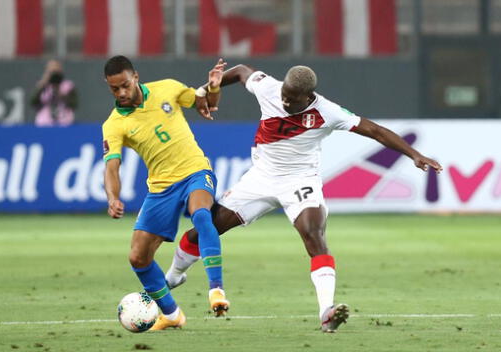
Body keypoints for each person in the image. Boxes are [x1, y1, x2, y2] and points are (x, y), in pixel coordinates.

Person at [165, 63, 443, 333]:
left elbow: (375, 131)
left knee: (313, 234)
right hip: (260, 178)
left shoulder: (328, 111)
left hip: (300, 181)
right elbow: (239, 71)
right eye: (284, 94)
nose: (284, 101)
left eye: (292, 99)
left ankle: (327, 312)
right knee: (206, 230)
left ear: (308, 97)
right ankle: (173, 277)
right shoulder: (269, 88)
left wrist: (414, 154)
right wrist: (205, 89)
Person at [102, 56, 229, 330]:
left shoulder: (167, 88)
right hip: (160, 189)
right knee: (138, 257)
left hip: (195, 171)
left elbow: (206, 104)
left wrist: (213, 87)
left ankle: (216, 290)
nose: (121, 93)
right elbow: (112, 167)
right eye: (115, 89)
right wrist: (112, 197)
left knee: (202, 216)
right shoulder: (114, 124)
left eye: (125, 85)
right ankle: (171, 315)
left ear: (135, 76)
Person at [31, 59, 78, 126]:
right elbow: (33, 102)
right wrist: (43, 84)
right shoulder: (42, 85)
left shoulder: (68, 85)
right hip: (44, 122)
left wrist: (61, 95)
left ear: (60, 70)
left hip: (64, 122)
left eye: (55, 69)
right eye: (51, 69)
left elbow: (74, 104)